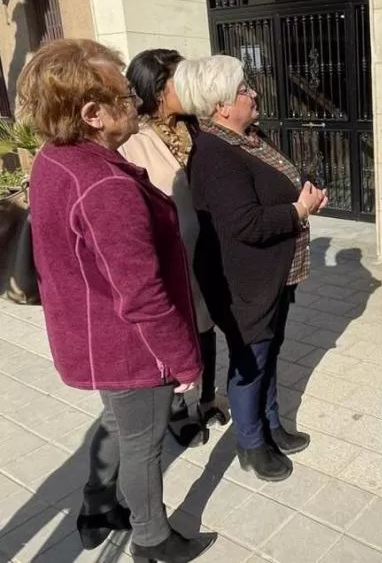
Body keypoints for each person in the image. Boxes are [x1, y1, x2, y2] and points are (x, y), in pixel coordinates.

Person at [21, 39, 216, 562]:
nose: (136, 103)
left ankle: (97, 507)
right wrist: (184, 361)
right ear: (93, 114)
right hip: (128, 346)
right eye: (126, 96)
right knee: (142, 443)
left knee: (118, 423)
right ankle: (151, 540)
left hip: (91, 333)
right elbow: (143, 295)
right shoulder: (105, 184)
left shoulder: (55, 157)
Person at [177, 56, 327, 482]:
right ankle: (250, 443)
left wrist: (306, 196)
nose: (254, 93)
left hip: (274, 275)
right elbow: (244, 223)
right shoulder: (214, 152)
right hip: (244, 282)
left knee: (268, 352)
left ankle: (271, 424)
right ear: (222, 106)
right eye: (244, 89)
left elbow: (273, 186)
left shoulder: (247, 138)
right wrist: (298, 210)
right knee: (250, 362)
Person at [120, 48, 230, 448]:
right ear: (157, 89)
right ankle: (178, 410)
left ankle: (206, 397)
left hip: (207, 247)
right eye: (178, 80)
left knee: (206, 323)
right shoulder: (131, 139)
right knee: (176, 329)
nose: (189, 86)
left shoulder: (196, 127)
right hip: (169, 255)